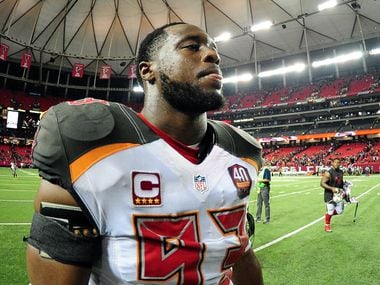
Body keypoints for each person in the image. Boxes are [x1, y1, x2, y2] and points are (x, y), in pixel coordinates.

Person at [26, 22, 264, 285]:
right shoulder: (92, 149)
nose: (213, 55)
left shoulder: (240, 151)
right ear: (147, 70)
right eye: (192, 46)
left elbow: (241, 250)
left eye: (213, 49)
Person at [320, 158, 345, 232]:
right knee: (330, 211)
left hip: (338, 194)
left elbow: (340, 182)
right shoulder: (328, 173)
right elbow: (322, 183)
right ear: (332, 163)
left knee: (340, 211)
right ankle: (327, 225)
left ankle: (328, 214)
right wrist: (332, 188)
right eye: (335, 162)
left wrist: (344, 188)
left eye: (338, 162)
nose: (337, 164)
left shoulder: (341, 171)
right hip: (330, 195)